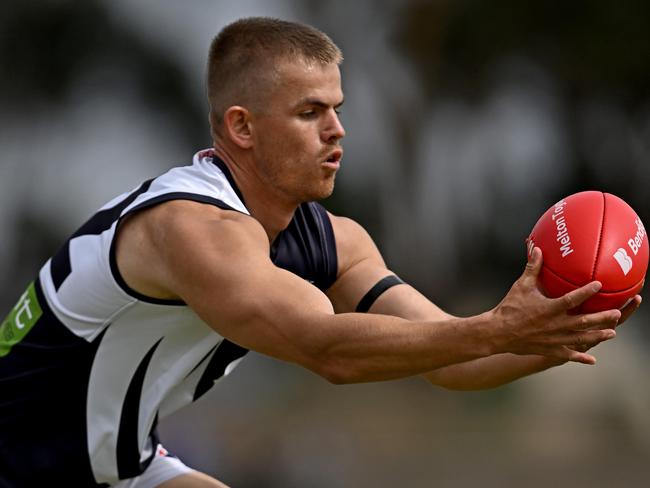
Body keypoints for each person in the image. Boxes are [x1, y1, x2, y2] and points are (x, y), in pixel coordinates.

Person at [0, 16, 640, 488]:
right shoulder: (190, 229)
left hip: (120, 466)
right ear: (242, 127)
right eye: (310, 112)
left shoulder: (335, 242)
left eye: (337, 108)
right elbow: (325, 348)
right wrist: (498, 328)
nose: (338, 130)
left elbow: (451, 356)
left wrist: (550, 335)